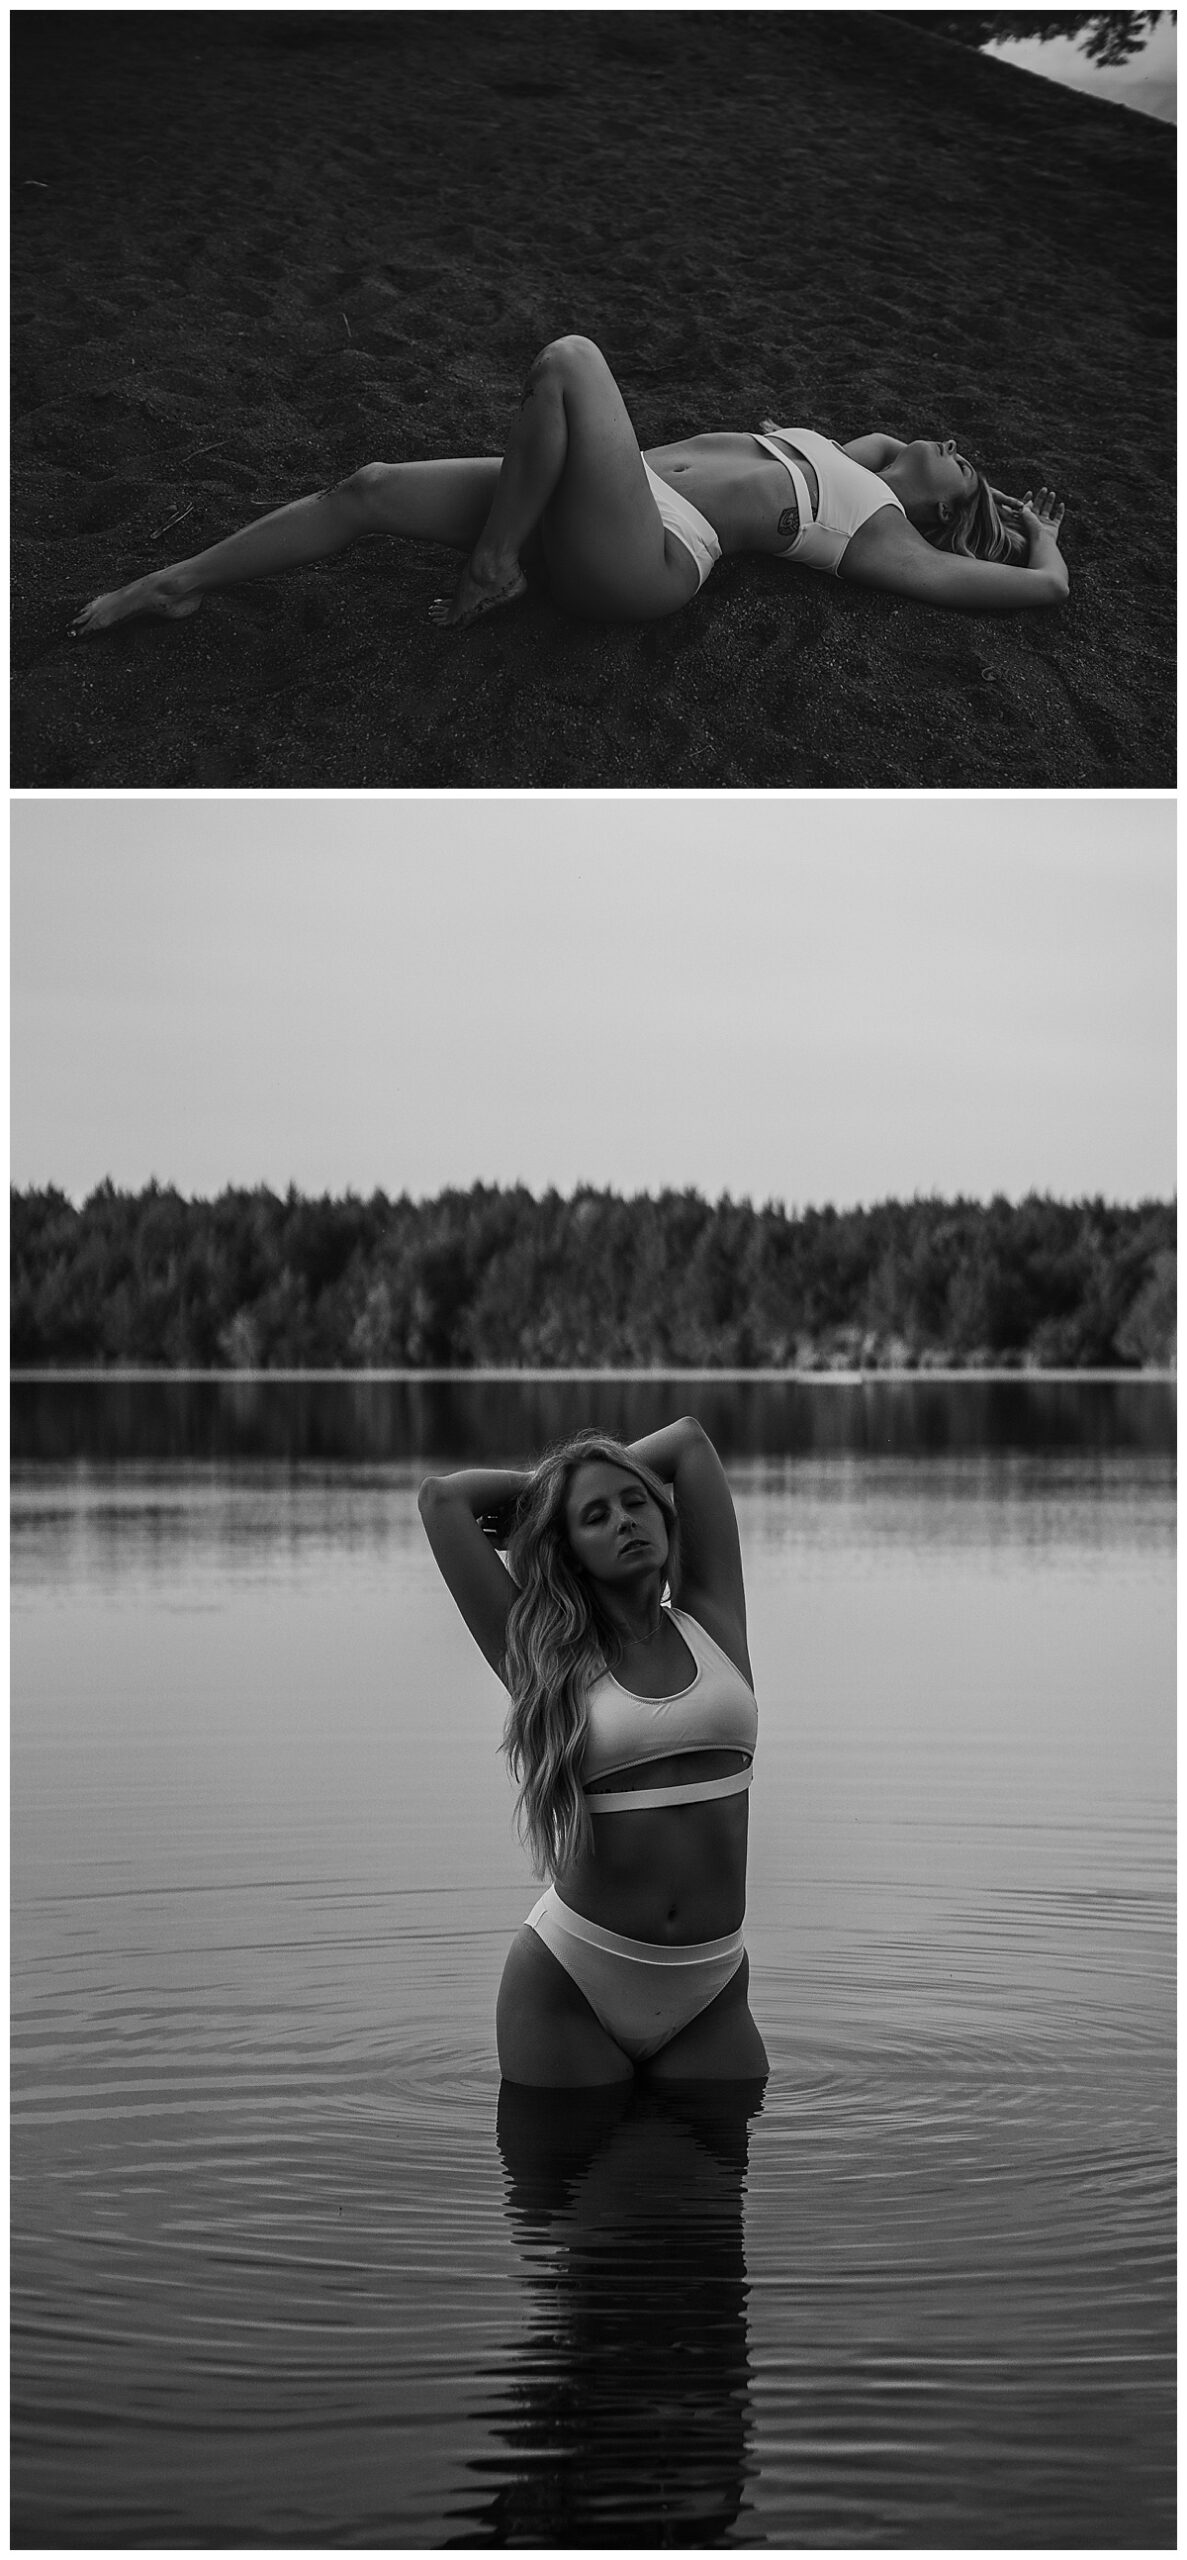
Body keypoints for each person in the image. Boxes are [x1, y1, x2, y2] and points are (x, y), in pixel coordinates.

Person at [71, 332, 1068, 636]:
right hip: (602, 492)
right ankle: (179, 581)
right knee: (367, 484)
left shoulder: (887, 534)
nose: (945, 441)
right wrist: (907, 455)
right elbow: (876, 446)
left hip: (646, 558)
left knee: (571, 361)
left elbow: (1041, 590)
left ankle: (495, 565)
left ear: (950, 507)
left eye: (962, 460)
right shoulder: (855, 460)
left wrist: (1038, 535)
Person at [418, 1416, 768, 2087]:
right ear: (569, 1548)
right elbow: (442, 1500)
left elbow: (690, 1441)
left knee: (713, 2194)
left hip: (711, 1985)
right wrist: (549, 1496)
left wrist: (577, 1483)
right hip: (572, 1984)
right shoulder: (543, 1658)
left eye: (636, 1503)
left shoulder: (712, 1621)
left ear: (666, 1520)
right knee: (570, 2188)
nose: (624, 1521)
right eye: (596, 1516)